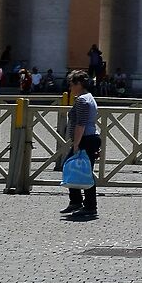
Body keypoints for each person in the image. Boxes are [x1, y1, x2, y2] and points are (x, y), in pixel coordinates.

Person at [63, 71, 102, 221]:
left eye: (72, 84)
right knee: (75, 169)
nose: (70, 87)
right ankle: (76, 201)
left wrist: (76, 144)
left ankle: (90, 206)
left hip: (86, 139)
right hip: (89, 139)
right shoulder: (88, 98)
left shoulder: (82, 101)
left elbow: (81, 124)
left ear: (79, 84)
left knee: (84, 172)